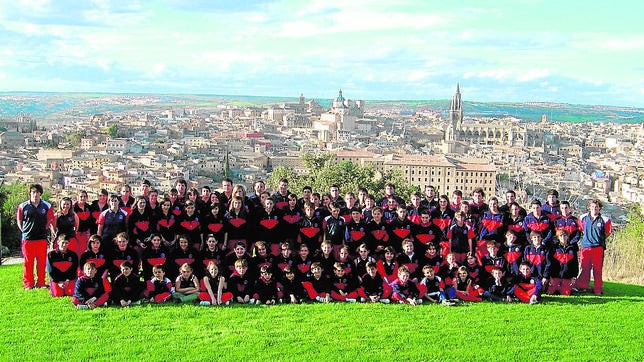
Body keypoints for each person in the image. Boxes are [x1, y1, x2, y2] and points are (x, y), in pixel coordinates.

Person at [17, 183, 55, 289]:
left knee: (41, 262)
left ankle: (41, 283)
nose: (35, 195)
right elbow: (19, 220)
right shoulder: (22, 206)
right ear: (30, 193)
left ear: (40, 194)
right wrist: (24, 231)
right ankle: (28, 284)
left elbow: (50, 219)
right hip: (28, 239)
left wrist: (47, 230)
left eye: (38, 192)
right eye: (33, 192)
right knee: (28, 263)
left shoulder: (47, 206)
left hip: (41, 239)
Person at [575, 199, 612, 295]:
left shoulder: (605, 220)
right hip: (586, 246)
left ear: (599, 208)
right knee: (584, 267)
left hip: (598, 247)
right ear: (589, 207)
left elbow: (607, 233)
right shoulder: (582, 218)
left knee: (597, 269)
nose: (594, 208)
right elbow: (581, 229)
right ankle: (583, 286)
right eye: (592, 207)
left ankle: (597, 289)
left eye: (596, 207)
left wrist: (598, 239)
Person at [547, 229, 578, 296]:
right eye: (561, 236)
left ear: (567, 237)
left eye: (565, 236)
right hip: (555, 276)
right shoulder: (554, 249)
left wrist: (574, 277)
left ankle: (565, 287)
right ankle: (557, 287)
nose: (563, 238)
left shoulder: (572, 249)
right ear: (558, 237)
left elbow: (575, 264)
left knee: (566, 293)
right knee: (550, 292)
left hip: (567, 276)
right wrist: (550, 277)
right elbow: (549, 263)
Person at [73, 190, 93, 259]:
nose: (83, 198)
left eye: (84, 196)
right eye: (81, 196)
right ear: (77, 197)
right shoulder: (73, 208)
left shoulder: (88, 207)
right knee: (77, 251)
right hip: (77, 233)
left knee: (86, 250)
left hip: (86, 233)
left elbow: (90, 220)